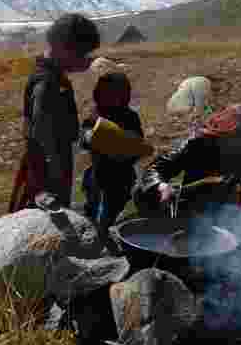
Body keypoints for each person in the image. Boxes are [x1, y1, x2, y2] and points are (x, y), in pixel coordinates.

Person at [134, 103, 241, 242]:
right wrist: (161, 186)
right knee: (143, 194)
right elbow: (157, 168)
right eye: (234, 141)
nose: (240, 147)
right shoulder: (202, 141)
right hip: (207, 197)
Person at [9, 13, 100, 214]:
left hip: (53, 165)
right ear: (62, 48)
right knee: (43, 221)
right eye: (81, 54)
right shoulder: (46, 83)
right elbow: (41, 132)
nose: (84, 60)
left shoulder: (55, 77)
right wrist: (47, 181)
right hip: (46, 174)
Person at [79, 71, 145, 239]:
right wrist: (90, 136)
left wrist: (125, 150)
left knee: (113, 218)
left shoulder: (130, 117)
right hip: (98, 175)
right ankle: (94, 241)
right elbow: (84, 138)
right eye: (111, 94)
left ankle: (110, 240)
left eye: (120, 94)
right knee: (92, 215)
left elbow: (138, 146)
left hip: (122, 177)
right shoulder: (96, 115)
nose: (116, 98)